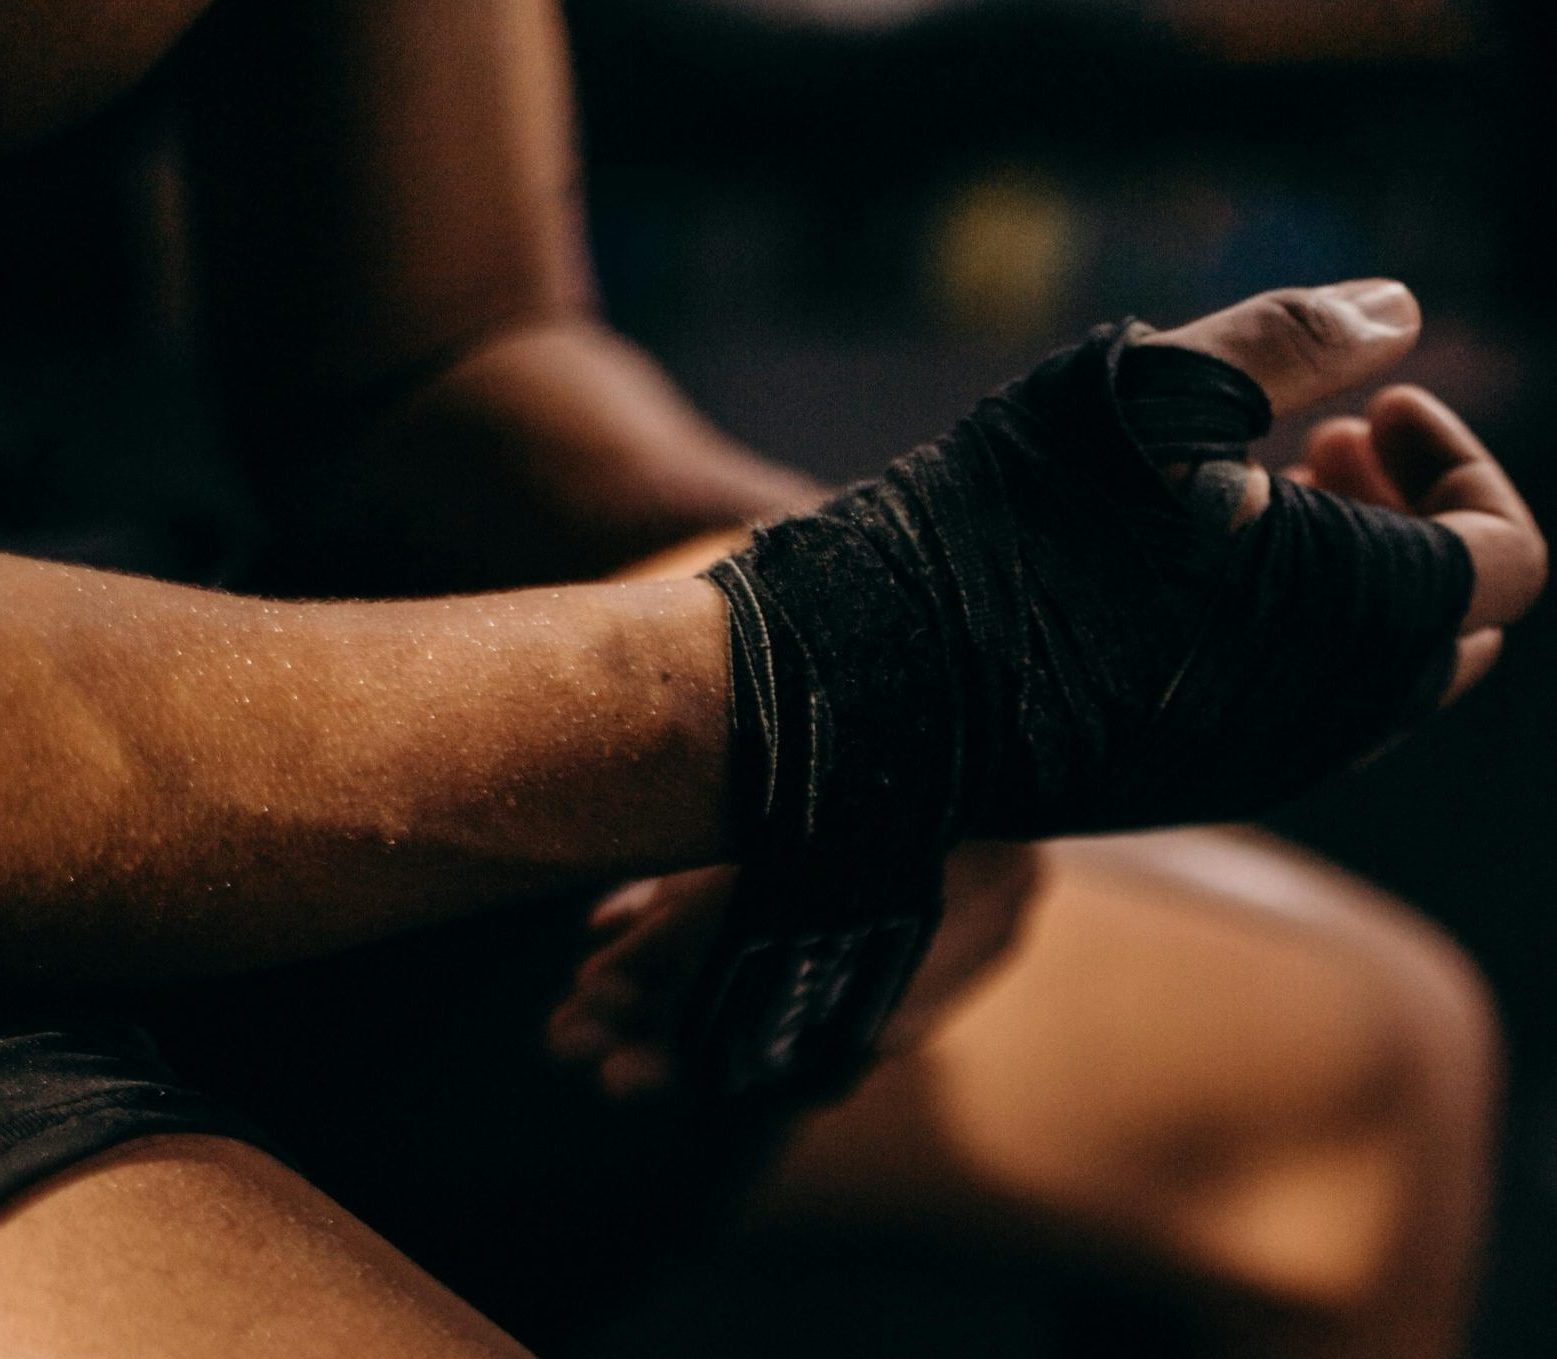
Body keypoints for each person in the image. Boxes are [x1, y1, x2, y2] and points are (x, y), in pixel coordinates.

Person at [0, 4, 1543, 1358]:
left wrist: (924, 617)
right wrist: (842, 666)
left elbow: (447, 361)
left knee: (1349, 1076)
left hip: (129, 641)